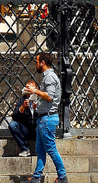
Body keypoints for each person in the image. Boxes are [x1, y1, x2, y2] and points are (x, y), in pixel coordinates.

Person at [25, 52, 67, 183]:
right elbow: (48, 99)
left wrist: (34, 91)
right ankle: (37, 177)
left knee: (51, 149)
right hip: (44, 118)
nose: (36, 64)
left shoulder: (49, 77)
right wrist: (38, 104)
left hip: (47, 119)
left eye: (37, 62)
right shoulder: (47, 77)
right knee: (40, 149)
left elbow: (49, 96)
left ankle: (62, 176)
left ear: (42, 63)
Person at [9, 90, 35, 158]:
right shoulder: (22, 100)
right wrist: (22, 107)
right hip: (25, 128)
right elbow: (14, 116)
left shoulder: (40, 100)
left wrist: (37, 109)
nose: (30, 94)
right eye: (28, 92)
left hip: (37, 128)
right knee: (13, 125)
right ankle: (25, 148)